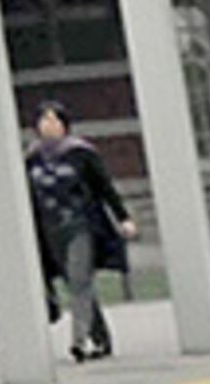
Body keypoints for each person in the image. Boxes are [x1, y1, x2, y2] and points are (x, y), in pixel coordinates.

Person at [29, 103, 133, 363]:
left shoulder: (81, 154)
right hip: (49, 229)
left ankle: (79, 340)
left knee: (78, 279)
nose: (49, 125)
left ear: (65, 125)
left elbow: (104, 187)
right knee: (77, 284)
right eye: (44, 120)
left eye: (54, 120)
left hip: (80, 225)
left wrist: (123, 217)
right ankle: (101, 336)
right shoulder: (32, 158)